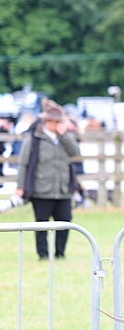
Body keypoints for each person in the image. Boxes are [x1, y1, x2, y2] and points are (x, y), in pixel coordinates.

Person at [15, 100, 81, 260]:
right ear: (46, 121)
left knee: (65, 222)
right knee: (41, 224)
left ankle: (60, 253)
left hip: (62, 189)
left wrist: (65, 136)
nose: (55, 124)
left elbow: (76, 153)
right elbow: (24, 164)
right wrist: (20, 186)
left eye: (58, 121)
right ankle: (43, 254)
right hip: (41, 189)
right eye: (52, 121)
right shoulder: (34, 138)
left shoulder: (65, 137)